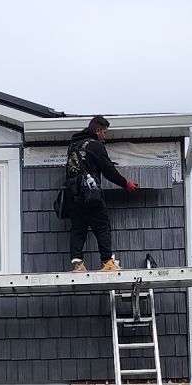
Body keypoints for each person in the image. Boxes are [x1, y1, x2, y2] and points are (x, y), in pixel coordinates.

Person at [65, 115, 139, 272]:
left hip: (72, 195)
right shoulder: (95, 146)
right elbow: (108, 170)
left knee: (78, 228)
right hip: (89, 193)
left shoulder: (72, 146)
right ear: (97, 130)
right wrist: (125, 183)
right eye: (104, 133)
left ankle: (78, 265)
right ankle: (107, 263)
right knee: (102, 225)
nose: (104, 136)